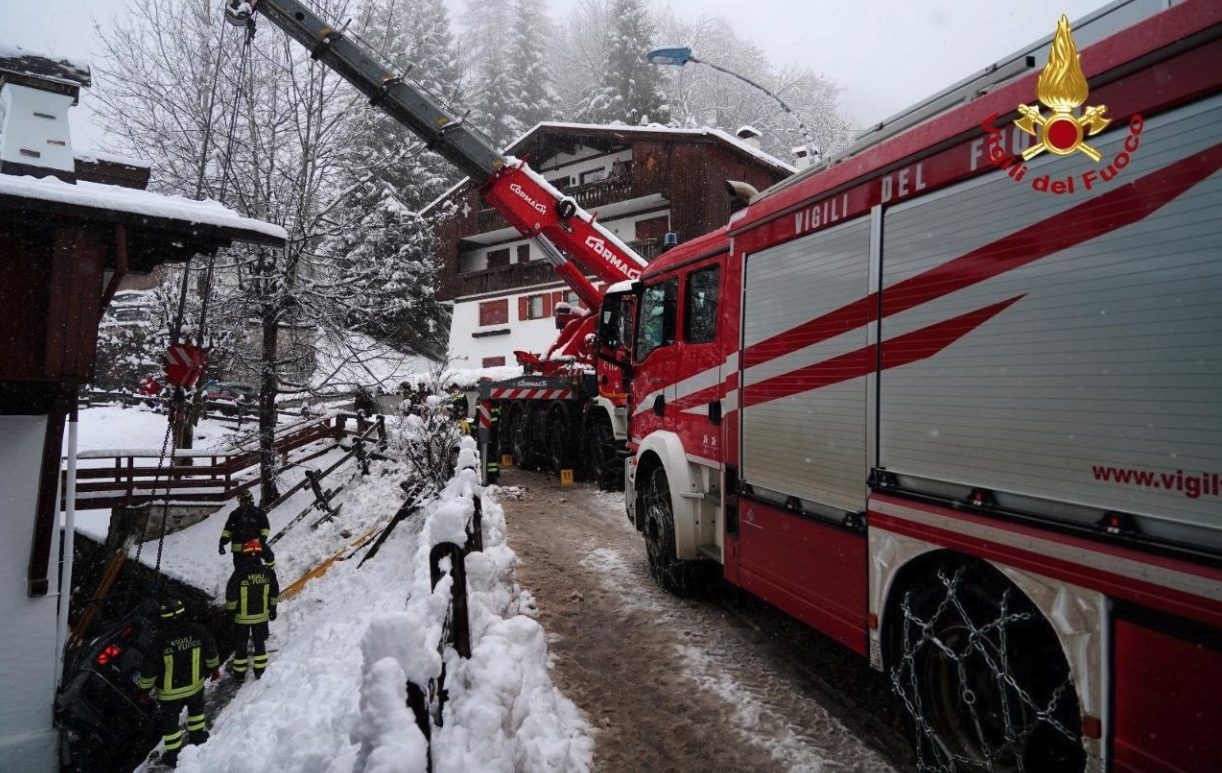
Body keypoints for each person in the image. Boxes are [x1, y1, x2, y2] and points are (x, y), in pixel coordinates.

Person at [136, 597, 220, 768]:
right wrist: (214, 669)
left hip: (170, 694)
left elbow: (150, 668)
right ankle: (198, 738)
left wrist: (144, 691)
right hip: (195, 687)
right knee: (196, 714)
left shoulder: (159, 640)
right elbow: (211, 650)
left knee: (171, 725)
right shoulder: (198, 631)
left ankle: (173, 755)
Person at [225, 540, 280, 683]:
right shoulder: (268, 573)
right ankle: (260, 670)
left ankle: (239, 674)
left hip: (241, 619)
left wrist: (230, 613)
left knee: (241, 646)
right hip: (261, 617)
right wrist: (272, 609)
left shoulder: (239, 573)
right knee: (259, 644)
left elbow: (231, 596)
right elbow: (274, 593)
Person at [219, 489, 270, 567]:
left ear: (249, 501)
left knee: (256, 569)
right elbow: (227, 530)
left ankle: (269, 577)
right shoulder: (235, 514)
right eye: (240, 501)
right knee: (240, 573)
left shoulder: (258, 513)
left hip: (253, 548)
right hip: (238, 550)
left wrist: (262, 540)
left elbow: (265, 528)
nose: (241, 503)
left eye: (243, 500)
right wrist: (222, 543)